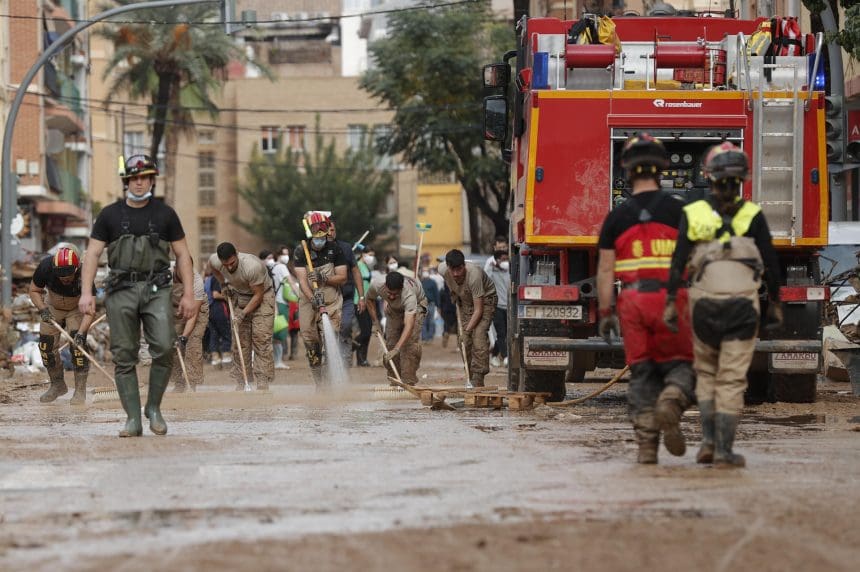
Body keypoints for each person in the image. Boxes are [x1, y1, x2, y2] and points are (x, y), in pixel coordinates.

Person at [664, 142, 783, 469]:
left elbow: (677, 264)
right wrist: (776, 303)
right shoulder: (752, 215)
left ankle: (707, 442)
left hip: (705, 308)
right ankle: (724, 451)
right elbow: (771, 263)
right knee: (731, 380)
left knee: (707, 375)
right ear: (742, 179)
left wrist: (672, 303)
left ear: (709, 177)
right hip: (743, 309)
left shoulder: (693, 213)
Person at [79, 154, 196, 437]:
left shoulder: (165, 214)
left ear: (152, 180)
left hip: (157, 289)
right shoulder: (109, 215)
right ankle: (133, 418)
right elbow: (93, 253)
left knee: (165, 347)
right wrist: (86, 292)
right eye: (134, 178)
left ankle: (153, 408)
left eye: (144, 177)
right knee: (124, 355)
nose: (139, 182)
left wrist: (189, 294)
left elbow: (182, 255)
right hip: (120, 290)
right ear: (126, 181)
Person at [596, 133, 696, 464]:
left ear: (626, 170)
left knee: (641, 373)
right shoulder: (680, 211)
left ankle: (647, 447)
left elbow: (606, 271)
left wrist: (606, 311)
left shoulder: (616, 217)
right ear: (663, 168)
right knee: (681, 365)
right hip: (672, 299)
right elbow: (694, 263)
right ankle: (671, 400)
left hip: (633, 302)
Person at [30, 245, 94, 404]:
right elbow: (34, 290)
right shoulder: (45, 267)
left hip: (77, 308)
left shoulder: (85, 274)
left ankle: (80, 390)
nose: (65, 278)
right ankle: (57, 385)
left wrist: (81, 333)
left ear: (77, 268)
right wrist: (42, 309)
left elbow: (90, 311)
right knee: (45, 346)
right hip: (52, 307)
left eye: (68, 274)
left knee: (78, 347)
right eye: (61, 275)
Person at [292, 212, 347, 389]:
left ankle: (331, 382)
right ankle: (319, 384)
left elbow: (342, 277)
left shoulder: (335, 249)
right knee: (311, 342)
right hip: (309, 301)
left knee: (330, 342)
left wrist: (324, 278)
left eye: (323, 237)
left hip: (331, 302)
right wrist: (312, 297)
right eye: (316, 238)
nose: (320, 242)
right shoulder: (301, 250)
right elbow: (302, 280)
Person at [210, 242, 276, 391]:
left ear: (237, 254)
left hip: (263, 296)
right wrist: (223, 284)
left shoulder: (252, 267)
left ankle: (262, 380)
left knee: (261, 338)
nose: (229, 267)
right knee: (240, 341)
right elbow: (213, 267)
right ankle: (242, 380)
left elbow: (258, 295)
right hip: (240, 296)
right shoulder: (216, 261)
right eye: (225, 264)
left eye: (232, 263)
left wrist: (242, 314)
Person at [437, 249, 497, 387]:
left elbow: (479, 310)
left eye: (459, 269)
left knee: (478, 335)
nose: (456, 274)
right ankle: (469, 376)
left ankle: (478, 378)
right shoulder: (442, 269)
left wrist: (467, 330)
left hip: (485, 301)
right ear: (448, 267)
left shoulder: (474, 275)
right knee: (464, 342)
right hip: (464, 302)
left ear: (464, 265)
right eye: (453, 270)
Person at [366, 271, 428, 385]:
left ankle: (408, 381)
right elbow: (369, 299)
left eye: (395, 294)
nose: (392, 296)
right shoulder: (377, 284)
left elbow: (408, 325)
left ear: (401, 289)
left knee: (409, 345)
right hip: (393, 309)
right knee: (390, 344)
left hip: (417, 305)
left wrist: (397, 349)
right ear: (385, 286)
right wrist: (375, 323)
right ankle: (395, 380)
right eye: (389, 293)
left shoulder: (409, 295)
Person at [325, 215, 366, 367]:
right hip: (327, 299)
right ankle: (329, 363)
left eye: (332, 230)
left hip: (346, 298)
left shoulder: (346, 248)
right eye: (327, 230)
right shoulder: (314, 250)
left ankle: (345, 361)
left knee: (346, 325)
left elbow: (355, 272)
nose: (330, 233)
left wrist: (361, 296)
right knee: (329, 331)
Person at [169, 260, 207, 392]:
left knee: (192, 343)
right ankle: (179, 383)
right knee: (174, 345)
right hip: (173, 306)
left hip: (196, 307)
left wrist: (184, 337)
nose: (187, 275)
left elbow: (193, 315)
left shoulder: (197, 283)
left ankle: (192, 384)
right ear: (175, 268)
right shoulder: (164, 274)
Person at [485, 250, 510, 366]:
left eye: (506, 259)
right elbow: (485, 278)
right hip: (497, 306)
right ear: (497, 260)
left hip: (509, 307)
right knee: (500, 333)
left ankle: (494, 355)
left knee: (505, 334)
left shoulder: (510, 271)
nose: (505, 262)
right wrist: (493, 266)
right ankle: (505, 357)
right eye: (503, 259)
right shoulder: (492, 271)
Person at [271, 247, 293, 369]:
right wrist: (300, 296)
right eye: (285, 254)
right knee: (280, 334)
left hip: (273, 302)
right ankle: (278, 361)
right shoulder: (282, 267)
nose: (287, 256)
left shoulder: (272, 267)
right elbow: (290, 282)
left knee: (273, 334)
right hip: (281, 302)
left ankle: (275, 361)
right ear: (279, 254)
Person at [204, 271, 232, 368]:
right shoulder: (216, 278)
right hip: (218, 307)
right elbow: (215, 294)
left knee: (214, 334)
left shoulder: (208, 279)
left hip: (209, 308)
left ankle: (215, 358)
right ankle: (226, 356)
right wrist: (228, 297)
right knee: (226, 332)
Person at [353, 244, 373, 366]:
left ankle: (362, 359)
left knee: (368, 332)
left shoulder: (366, 266)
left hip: (368, 302)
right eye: (370, 255)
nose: (371, 257)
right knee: (365, 331)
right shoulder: (358, 265)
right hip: (358, 301)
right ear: (363, 254)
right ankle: (350, 348)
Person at [420, 268, 440, 342]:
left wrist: (438, 305)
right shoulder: (420, 282)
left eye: (426, 271)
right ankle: (424, 337)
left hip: (431, 304)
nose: (425, 273)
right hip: (422, 304)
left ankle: (430, 337)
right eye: (423, 271)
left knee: (431, 321)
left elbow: (436, 294)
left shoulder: (433, 282)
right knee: (423, 322)